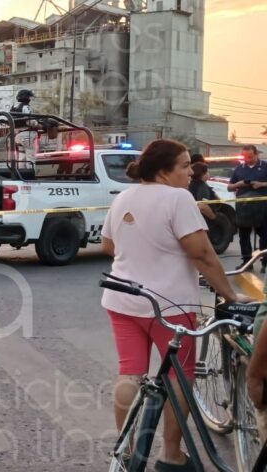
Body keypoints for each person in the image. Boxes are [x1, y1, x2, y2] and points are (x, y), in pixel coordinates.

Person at [101, 139, 251, 470]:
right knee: (179, 377)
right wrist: (229, 295)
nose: (190, 172)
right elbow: (201, 254)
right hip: (170, 306)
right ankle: (170, 454)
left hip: (123, 299)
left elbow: (109, 245)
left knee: (129, 373)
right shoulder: (179, 198)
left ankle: (125, 452)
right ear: (164, 171)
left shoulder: (124, 196)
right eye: (184, 166)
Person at [228, 144, 267, 271]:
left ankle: (265, 262)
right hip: (244, 208)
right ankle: (246, 262)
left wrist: (261, 184)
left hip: (262, 206)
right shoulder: (239, 169)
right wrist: (238, 184)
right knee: (244, 235)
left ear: (256, 154)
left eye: (250, 157)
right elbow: (229, 187)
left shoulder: (265, 166)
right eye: (245, 157)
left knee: (264, 235)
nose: (247, 159)